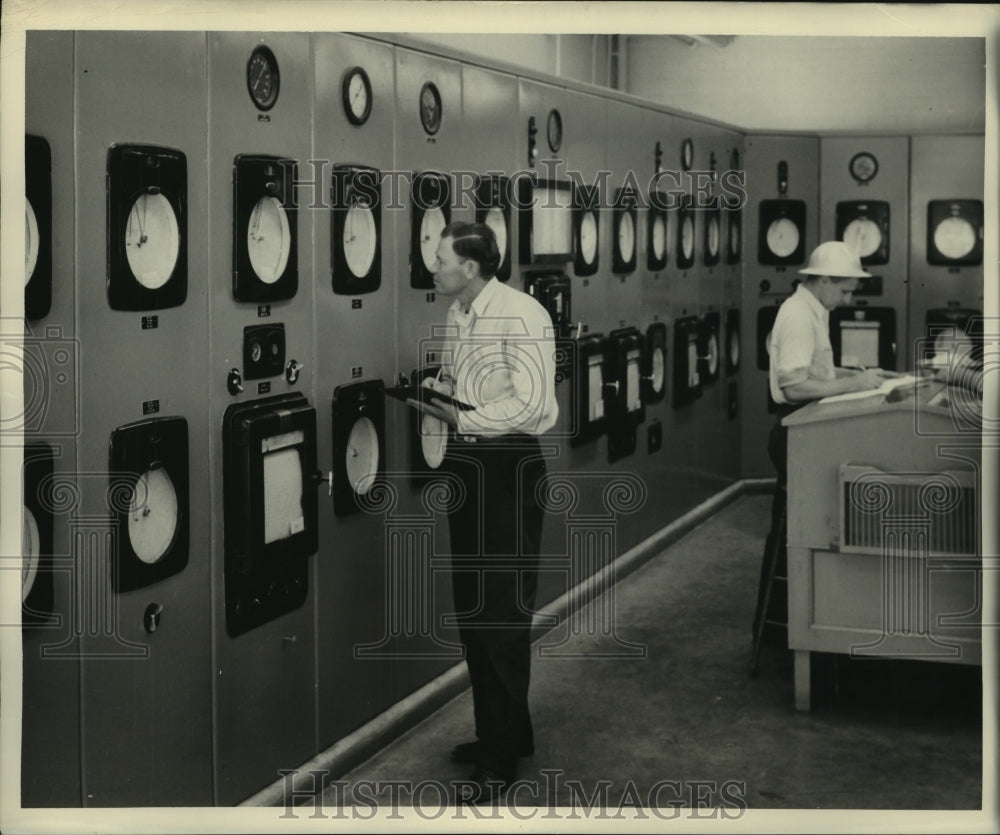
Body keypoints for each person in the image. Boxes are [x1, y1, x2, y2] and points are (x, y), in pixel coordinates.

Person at [420, 221, 558, 804]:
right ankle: (501, 734)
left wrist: (461, 419)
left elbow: (533, 405)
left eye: (442, 258)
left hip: (508, 469)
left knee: (501, 614)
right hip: (470, 469)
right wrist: (437, 388)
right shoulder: (460, 314)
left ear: (471, 267)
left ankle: (501, 758)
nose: (434, 266)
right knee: (475, 609)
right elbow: (472, 385)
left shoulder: (521, 314)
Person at [751, 241, 896, 659]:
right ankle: (784, 634)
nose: (848, 299)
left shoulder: (814, 312)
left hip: (806, 428)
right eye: (846, 290)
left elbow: (817, 373)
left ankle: (794, 629)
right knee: (796, 534)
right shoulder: (797, 316)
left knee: (798, 532)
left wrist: (860, 374)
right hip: (795, 431)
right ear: (823, 280)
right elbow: (794, 386)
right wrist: (853, 386)